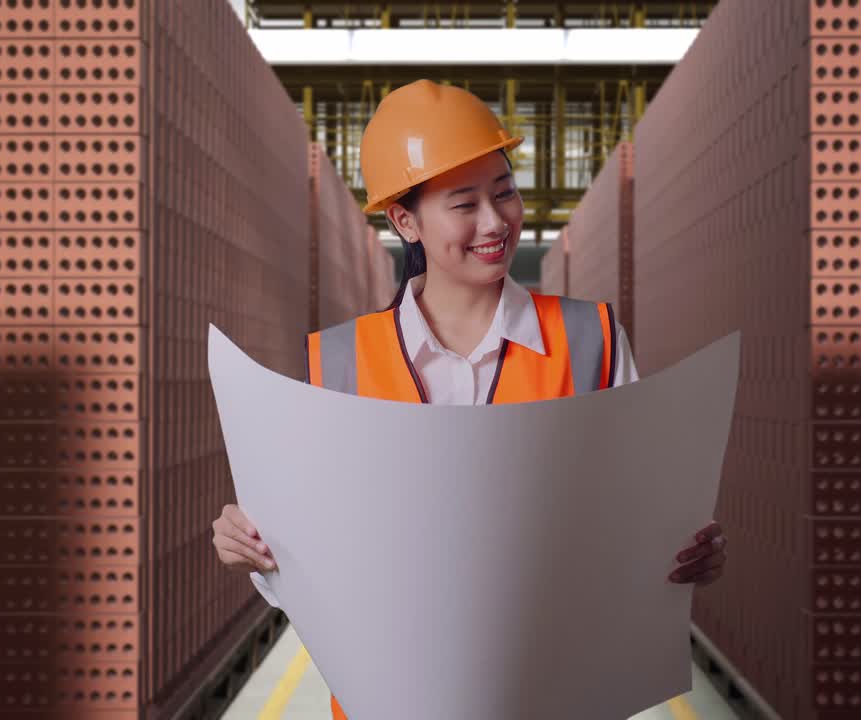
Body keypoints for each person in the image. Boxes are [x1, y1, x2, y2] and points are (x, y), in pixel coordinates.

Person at [211, 79, 728, 719]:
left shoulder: (589, 339)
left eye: (504, 193)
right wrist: (254, 549)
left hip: (554, 698)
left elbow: (639, 515)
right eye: (464, 204)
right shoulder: (339, 364)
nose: (495, 221)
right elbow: (311, 564)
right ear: (406, 221)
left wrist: (686, 553)